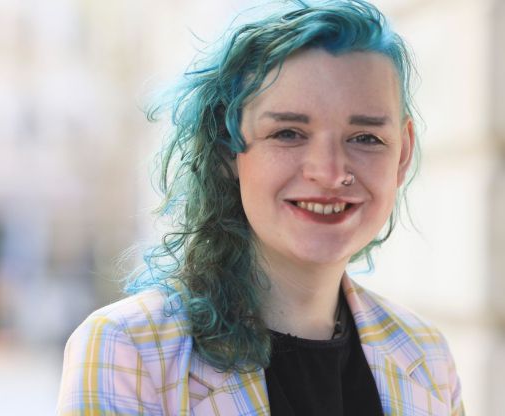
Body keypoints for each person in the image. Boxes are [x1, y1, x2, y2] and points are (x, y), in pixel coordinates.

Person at [57, 1, 464, 414]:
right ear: (226, 151)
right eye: (288, 133)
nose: (329, 172)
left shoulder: (427, 356)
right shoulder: (129, 350)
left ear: (402, 154)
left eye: (365, 138)